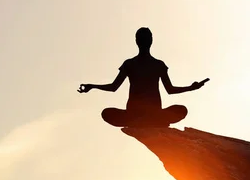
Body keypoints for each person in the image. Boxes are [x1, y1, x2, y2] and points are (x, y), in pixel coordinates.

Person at [78, 27, 208, 128]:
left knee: (181, 110)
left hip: (141, 115)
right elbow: (170, 90)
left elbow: (113, 87)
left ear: (137, 41)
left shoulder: (155, 64)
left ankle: (142, 121)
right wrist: (191, 88)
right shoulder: (136, 64)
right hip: (144, 114)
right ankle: (151, 121)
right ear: (150, 41)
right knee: (106, 113)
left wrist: (93, 86)